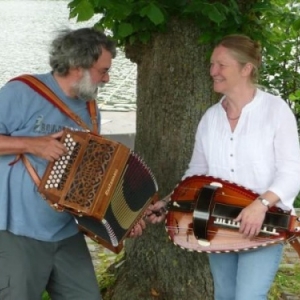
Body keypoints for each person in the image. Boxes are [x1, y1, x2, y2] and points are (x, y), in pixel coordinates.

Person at [148, 34, 300, 300]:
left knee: (248, 297)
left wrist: (260, 205)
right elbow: (196, 175)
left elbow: (293, 172)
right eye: (212, 65)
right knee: (225, 296)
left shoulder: (275, 111)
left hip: (264, 223)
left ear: (246, 69)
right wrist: (171, 202)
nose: (213, 72)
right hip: (217, 224)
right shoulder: (210, 118)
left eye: (221, 65)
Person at [0, 27, 144, 300]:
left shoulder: (89, 109)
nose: (108, 78)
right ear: (79, 67)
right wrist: (31, 144)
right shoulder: (22, 92)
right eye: (103, 71)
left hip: (66, 232)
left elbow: (94, 176)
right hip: (17, 231)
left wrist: (123, 219)